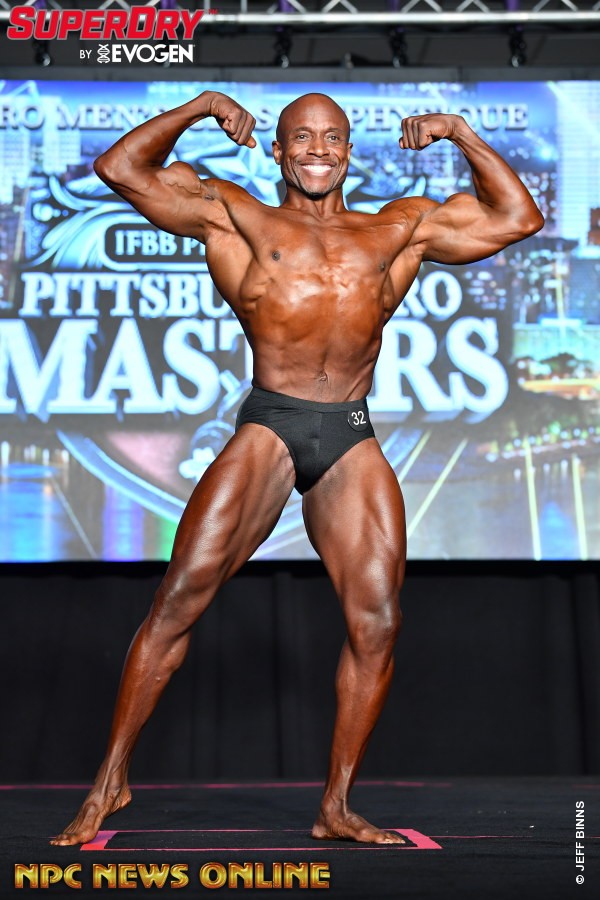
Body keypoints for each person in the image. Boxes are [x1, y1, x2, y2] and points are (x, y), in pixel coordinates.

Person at [51, 91, 543, 847]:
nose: (318, 149)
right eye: (302, 138)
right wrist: (201, 106)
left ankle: (335, 806)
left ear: (349, 151)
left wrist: (460, 132)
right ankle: (109, 781)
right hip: (272, 426)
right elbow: (120, 169)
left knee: (378, 621)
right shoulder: (235, 216)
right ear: (278, 152)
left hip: (349, 432)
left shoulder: (397, 227)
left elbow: (518, 218)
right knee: (179, 598)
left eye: (333, 137)